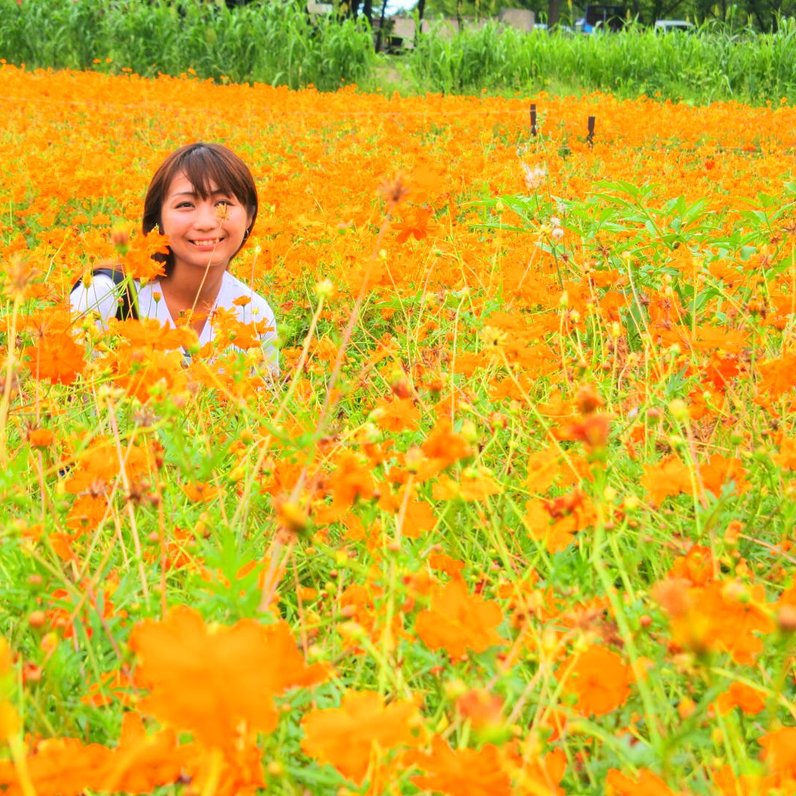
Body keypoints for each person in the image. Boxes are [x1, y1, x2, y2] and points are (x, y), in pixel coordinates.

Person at [70, 142, 278, 372]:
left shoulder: (254, 313)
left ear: (249, 216)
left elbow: (265, 405)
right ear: (157, 221)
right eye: (186, 204)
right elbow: (64, 400)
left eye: (223, 204)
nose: (207, 223)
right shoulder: (104, 297)